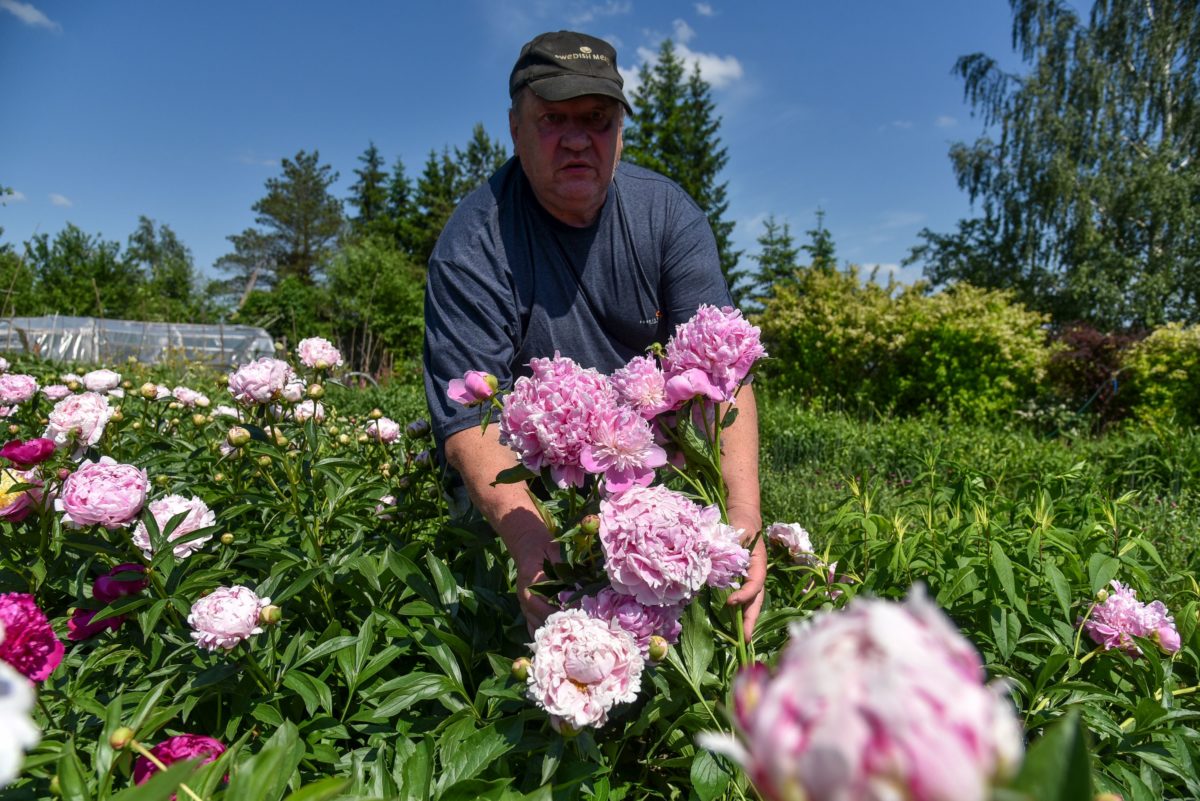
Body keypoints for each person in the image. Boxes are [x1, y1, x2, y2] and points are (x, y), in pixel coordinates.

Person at [423, 30, 766, 636]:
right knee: (504, 612)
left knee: (704, 607)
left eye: (598, 119)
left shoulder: (666, 214)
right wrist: (532, 544)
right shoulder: (474, 243)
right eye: (553, 118)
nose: (578, 139)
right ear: (515, 127)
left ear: (619, 131)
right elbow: (464, 428)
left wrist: (742, 520)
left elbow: (724, 378)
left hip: (654, 458)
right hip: (527, 476)